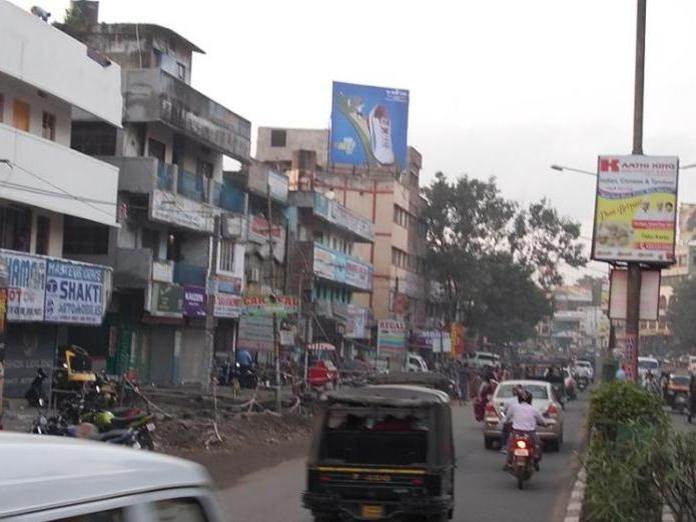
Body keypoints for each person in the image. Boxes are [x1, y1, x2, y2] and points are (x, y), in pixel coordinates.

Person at [501, 389, 548, 467]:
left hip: (516, 433)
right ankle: (535, 462)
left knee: (509, 445)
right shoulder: (534, 409)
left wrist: (505, 422)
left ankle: (508, 462)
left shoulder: (514, 407)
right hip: (530, 434)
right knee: (538, 445)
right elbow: (543, 421)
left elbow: (506, 419)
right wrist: (545, 424)